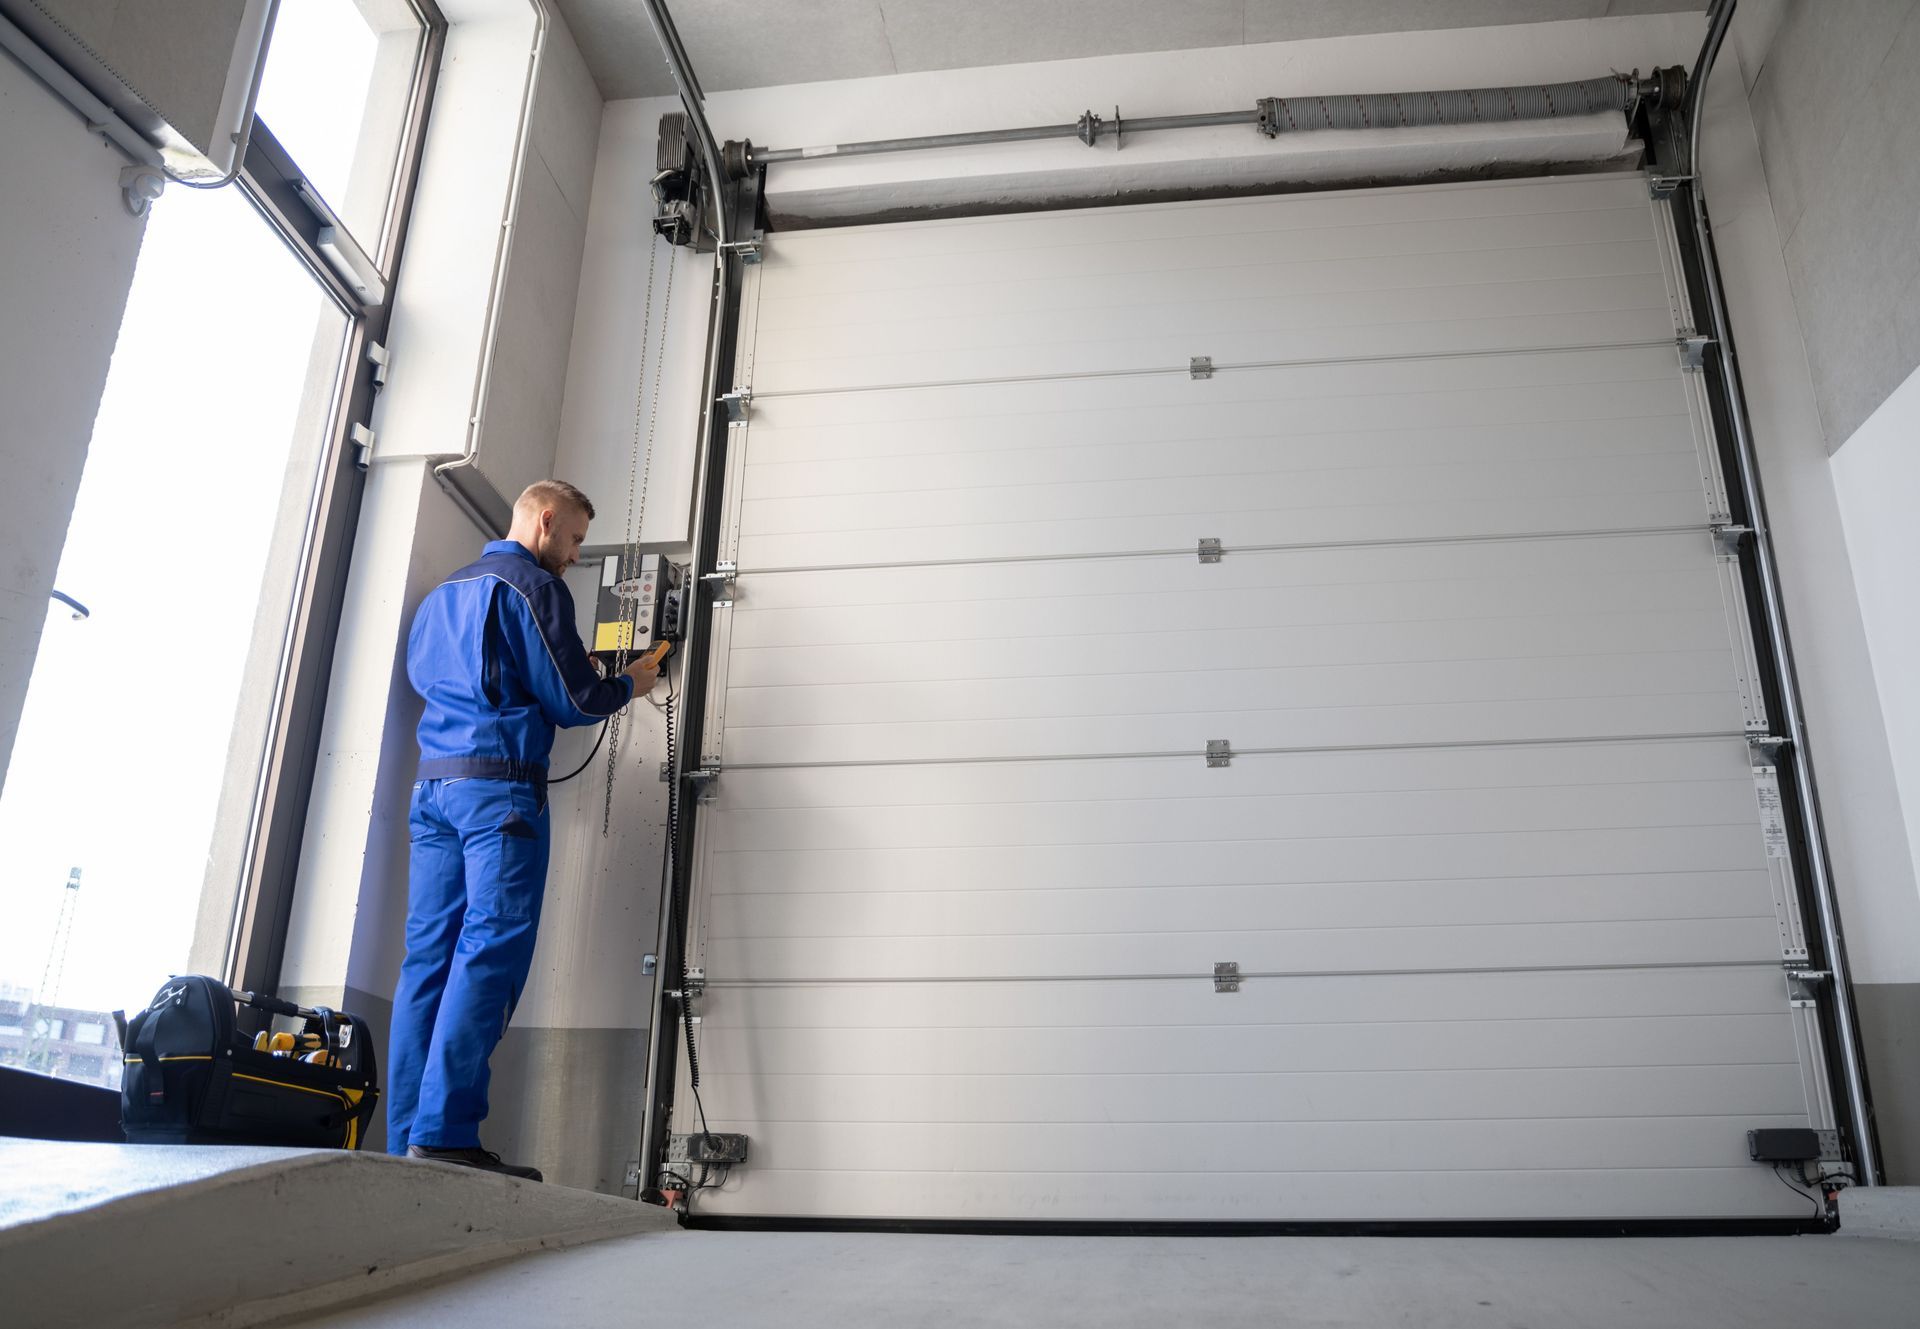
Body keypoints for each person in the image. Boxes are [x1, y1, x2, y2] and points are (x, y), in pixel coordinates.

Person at [387, 479, 658, 1179]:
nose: (572, 555)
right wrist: (632, 680)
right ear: (544, 521)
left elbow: (433, 677)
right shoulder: (531, 588)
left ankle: (405, 1144)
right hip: (498, 797)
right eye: (573, 539)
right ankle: (444, 1134)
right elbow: (575, 699)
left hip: (433, 790)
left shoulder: (442, 595)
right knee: (489, 952)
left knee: (428, 962)